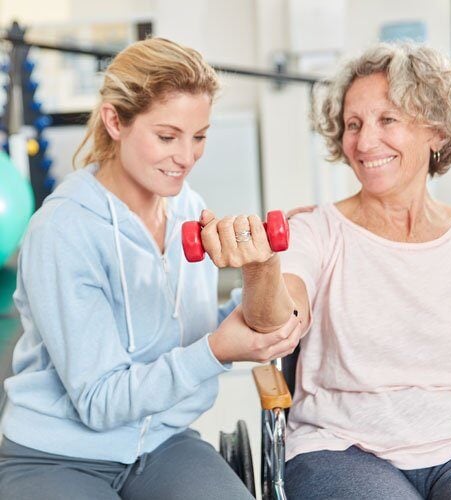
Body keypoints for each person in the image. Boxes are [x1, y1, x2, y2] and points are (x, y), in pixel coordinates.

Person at [0, 37, 302, 500]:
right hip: (58, 455)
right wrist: (218, 350)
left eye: (199, 136)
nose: (186, 157)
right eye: (167, 136)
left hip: (163, 444)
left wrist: (261, 272)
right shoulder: (62, 231)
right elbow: (99, 404)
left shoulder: (188, 208)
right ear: (115, 120)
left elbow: (200, 326)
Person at [198, 43, 451, 499]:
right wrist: (263, 267)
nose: (363, 141)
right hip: (340, 449)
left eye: (387, 120)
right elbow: (276, 323)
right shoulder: (315, 231)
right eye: (353, 125)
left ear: (437, 131)